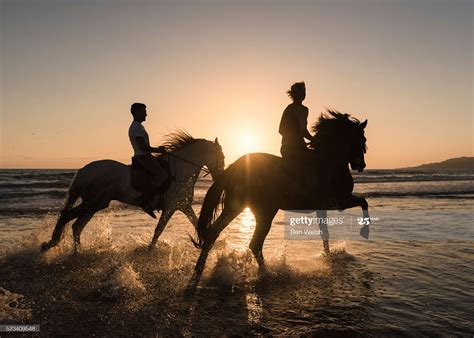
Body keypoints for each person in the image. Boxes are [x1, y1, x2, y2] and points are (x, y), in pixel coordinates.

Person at [129, 102, 168, 218]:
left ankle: (158, 200)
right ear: (136, 112)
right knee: (162, 175)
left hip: (144, 156)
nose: (146, 114)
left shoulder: (139, 126)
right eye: (144, 111)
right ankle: (146, 201)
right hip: (143, 157)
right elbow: (143, 147)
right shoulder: (136, 127)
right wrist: (159, 150)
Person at [278, 82, 313, 162]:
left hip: (284, 149)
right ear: (302, 94)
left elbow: (280, 130)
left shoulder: (288, 108)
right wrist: (314, 140)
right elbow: (303, 131)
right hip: (297, 150)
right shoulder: (303, 109)